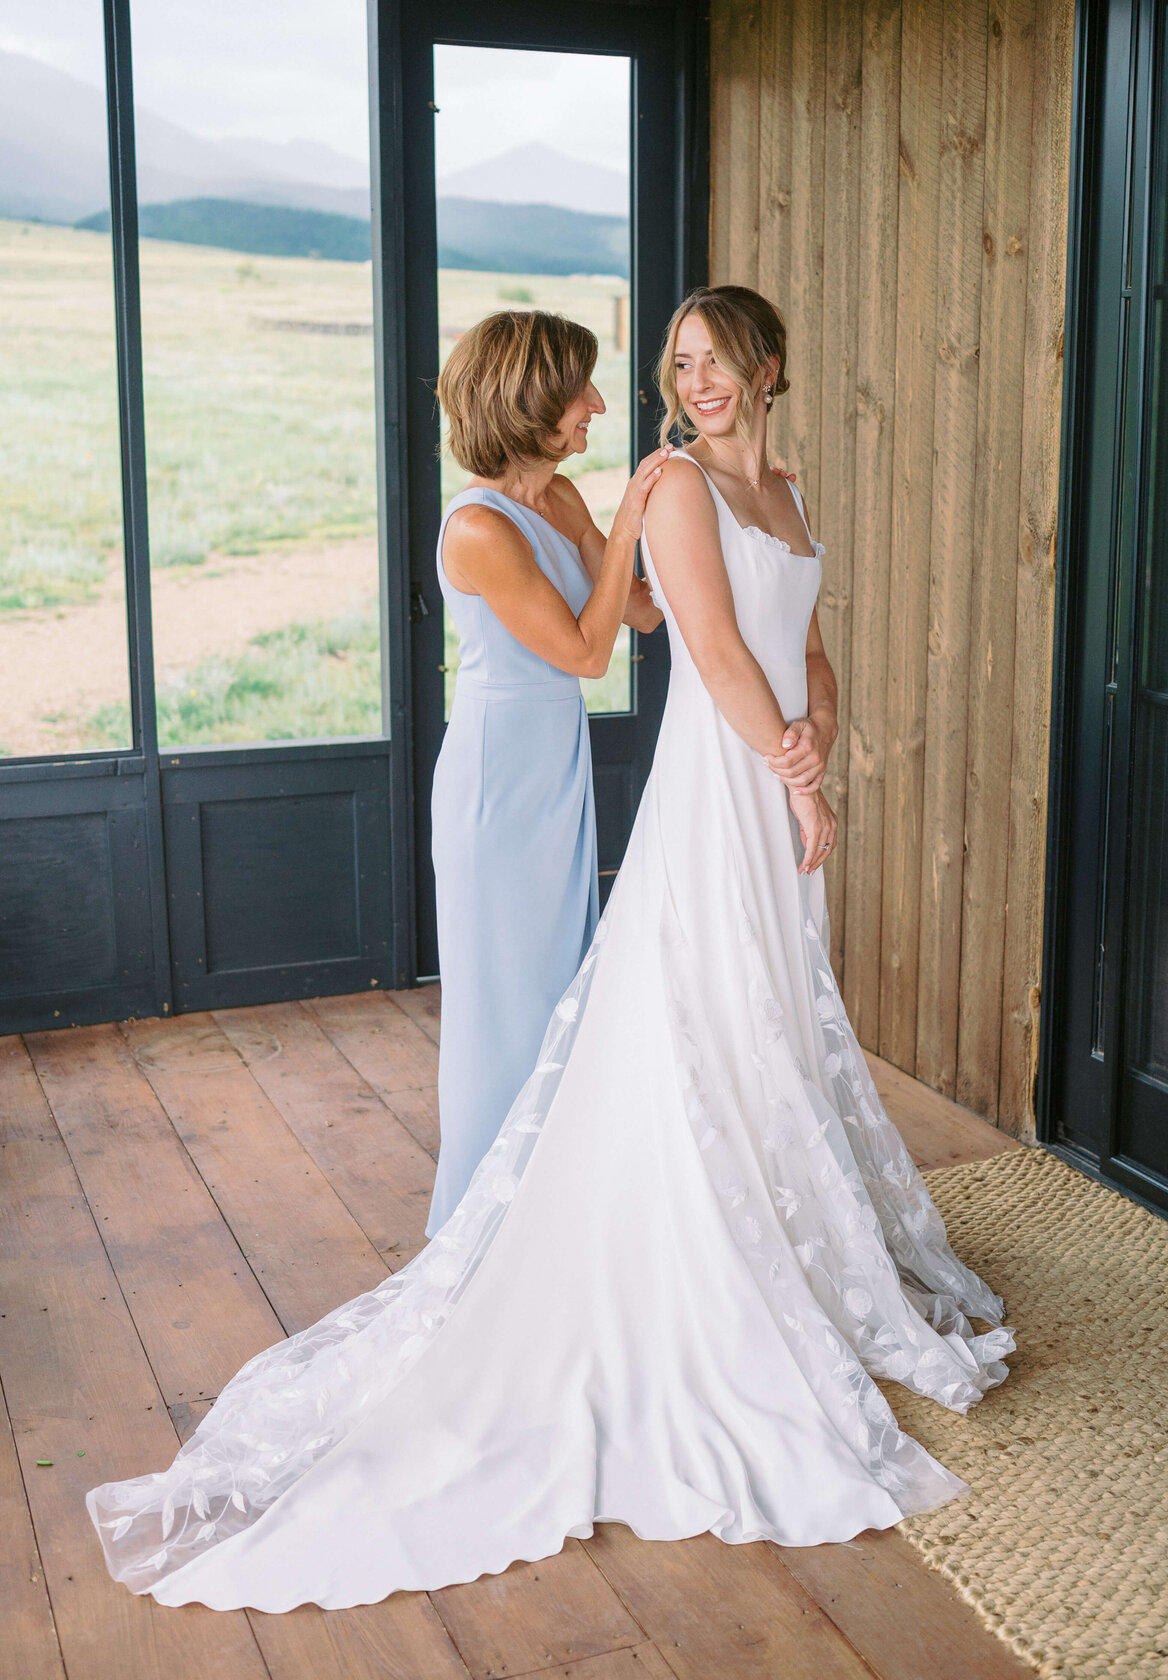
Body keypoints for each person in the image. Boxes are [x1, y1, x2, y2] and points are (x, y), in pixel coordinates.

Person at [86, 284, 1014, 1612]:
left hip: (606, 779)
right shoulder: (504, 523)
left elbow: (719, 628)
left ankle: (648, 1202)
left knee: (639, 1014)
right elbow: (622, 645)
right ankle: (486, 1241)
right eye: (641, 373)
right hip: (516, 786)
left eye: (691, 362)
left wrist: (804, 718)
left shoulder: (686, 495)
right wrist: (658, 531)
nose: (643, 394)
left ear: (763, 369)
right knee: (531, 1018)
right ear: (538, 403)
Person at [425, 309, 664, 1235]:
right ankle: (482, 1230)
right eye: (581, 392)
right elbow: (585, 652)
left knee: (565, 992)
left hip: (554, 769)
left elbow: (638, 613)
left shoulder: (559, 499)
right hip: (496, 786)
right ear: (530, 400)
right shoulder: (480, 529)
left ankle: (557, 1221)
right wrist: (631, 522)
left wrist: (717, 507)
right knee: (504, 1012)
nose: (598, 405)